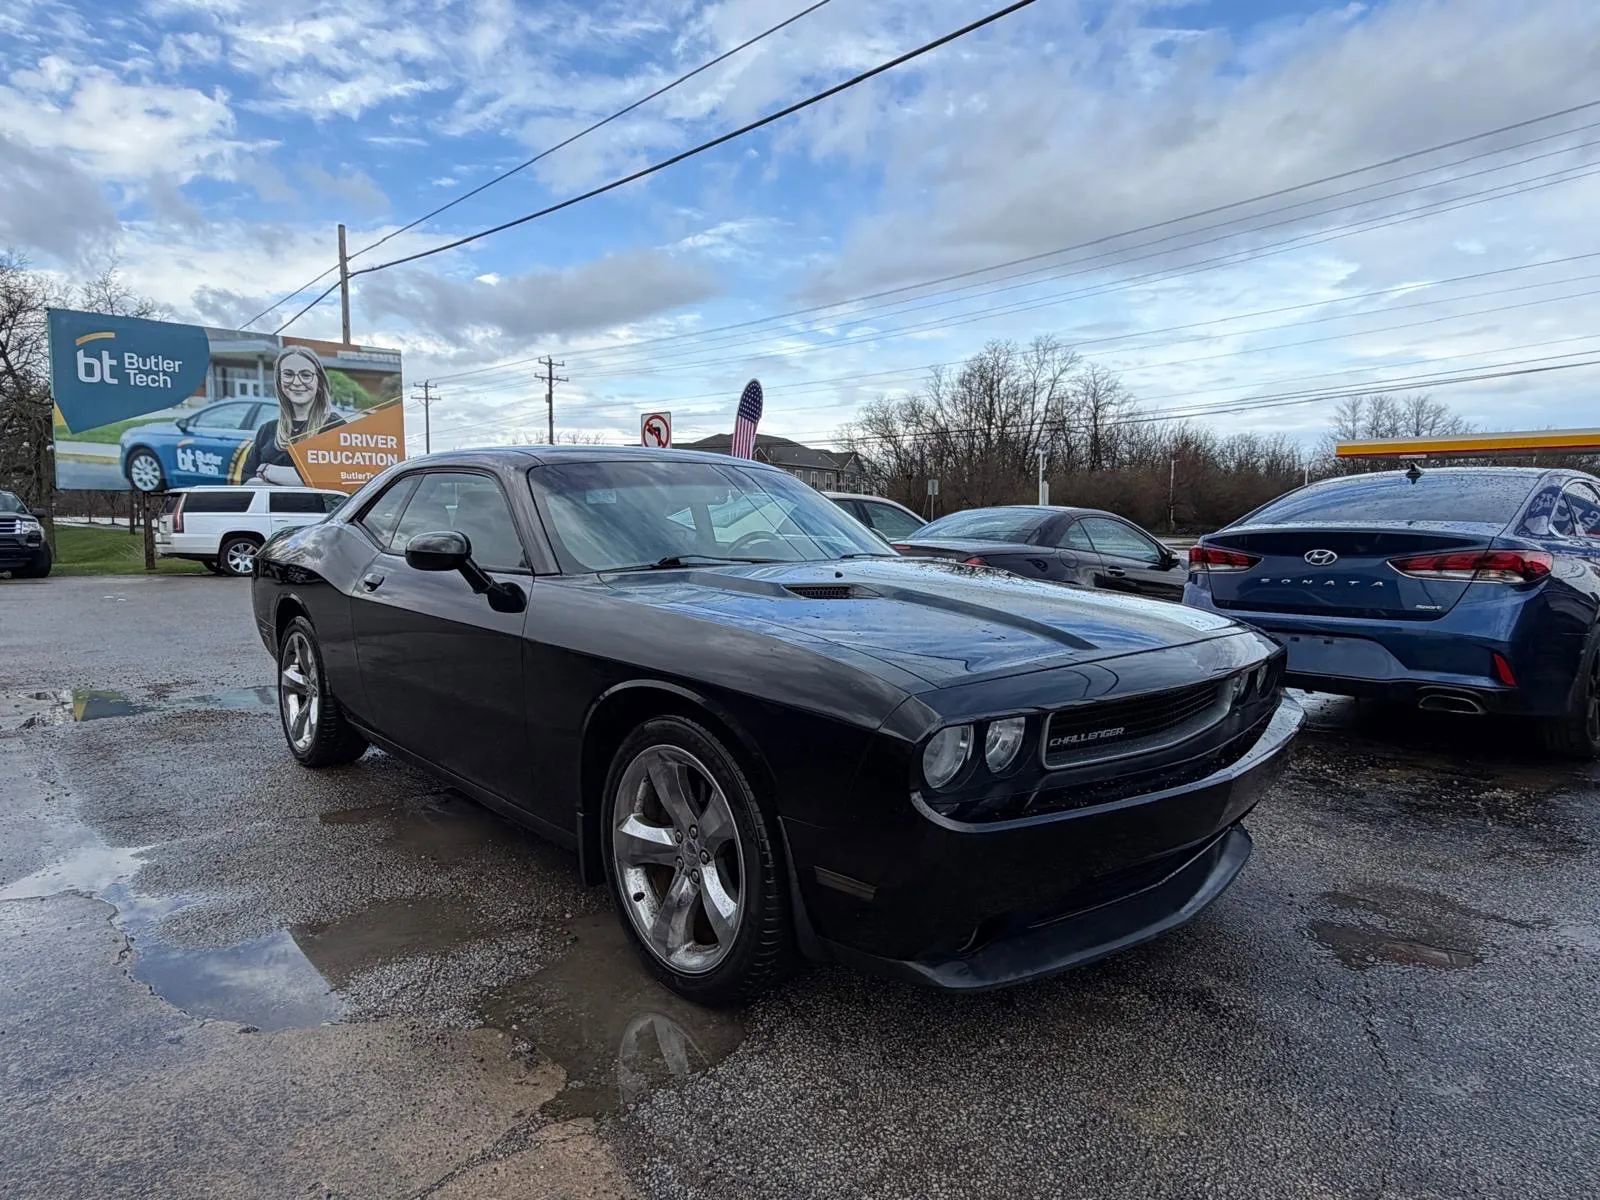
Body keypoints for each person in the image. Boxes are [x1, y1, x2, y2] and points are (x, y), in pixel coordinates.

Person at [243, 346, 345, 485]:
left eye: (306, 375)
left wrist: (268, 471)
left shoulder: (334, 426)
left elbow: (328, 480)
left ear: (319, 381)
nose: (297, 382)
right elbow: (247, 480)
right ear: (279, 381)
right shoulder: (267, 430)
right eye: (288, 374)